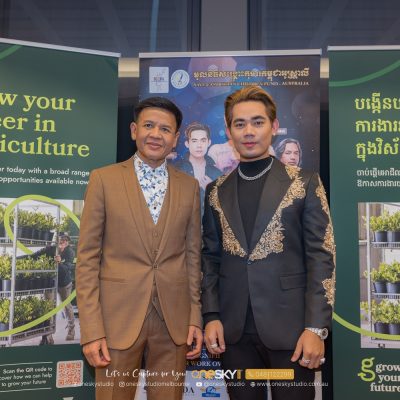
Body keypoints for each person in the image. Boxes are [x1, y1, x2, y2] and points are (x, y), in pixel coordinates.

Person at [201, 85, 335, 400]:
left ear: (273, 127)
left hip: (292, 333)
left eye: (257, 122)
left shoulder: (304, 182)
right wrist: (211, 316)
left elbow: (321, 257)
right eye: (239, 124)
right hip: (234, 335)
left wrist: (316, 328)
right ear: (229, 131)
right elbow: (210, 257)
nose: (248, 131)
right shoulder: (216, 190)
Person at [76, 97, 203, 400]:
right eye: (148, 125)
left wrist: (194, 317)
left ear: (176, 138)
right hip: (117, 321)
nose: (156, 134)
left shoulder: (189, 187)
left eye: (165, 129)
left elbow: (192, 257)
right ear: (134, 130)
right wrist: (92, 329)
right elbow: (87, 259)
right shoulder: (103, 179)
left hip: (174, 323)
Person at [19, 233, 75, 344]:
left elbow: (67, 269)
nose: (63, 241)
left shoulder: (70, 252)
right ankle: (48, 334)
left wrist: (59, 263)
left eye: (65, 240)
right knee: (49, 308)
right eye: (61, 239)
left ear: (68, 242)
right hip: (50, 281)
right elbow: (34, 256)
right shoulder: (50, 249)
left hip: (64, 283)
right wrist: (15, 259)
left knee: (67, 306)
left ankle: (71, 329)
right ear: (57, 240)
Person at [174, 122, 221, 213]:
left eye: (203, 140)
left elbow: (224, 208)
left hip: (208, 221)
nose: (199, 145)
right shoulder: (176, 169)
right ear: (187, 144)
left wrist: (211, 191)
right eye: (194, 141)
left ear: (209, 143)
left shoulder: (216, 173)